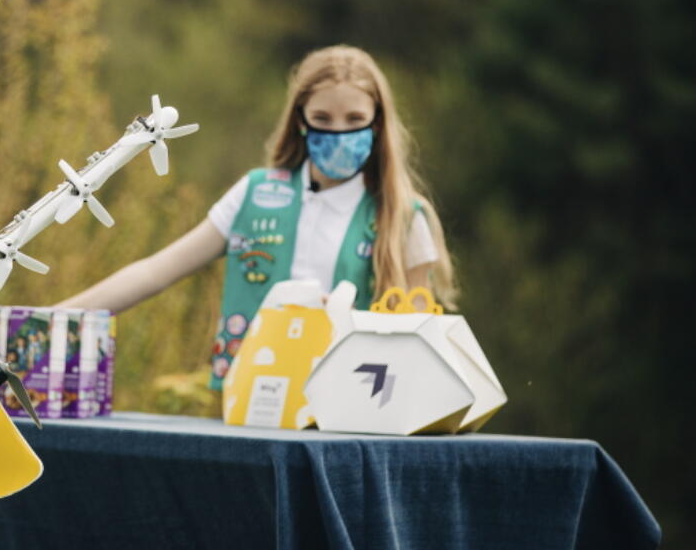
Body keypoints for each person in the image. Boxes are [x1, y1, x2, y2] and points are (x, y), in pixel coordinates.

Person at [60, 45, 456, 389]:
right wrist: (49, 320)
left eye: (354, 120)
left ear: (377, 123)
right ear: (301, 120)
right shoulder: (256, 193)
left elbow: (416, 342)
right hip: (252, 404)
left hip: (351, 417)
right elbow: (155, 272)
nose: (339, 132)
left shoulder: (404, 217)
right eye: (323, 119)